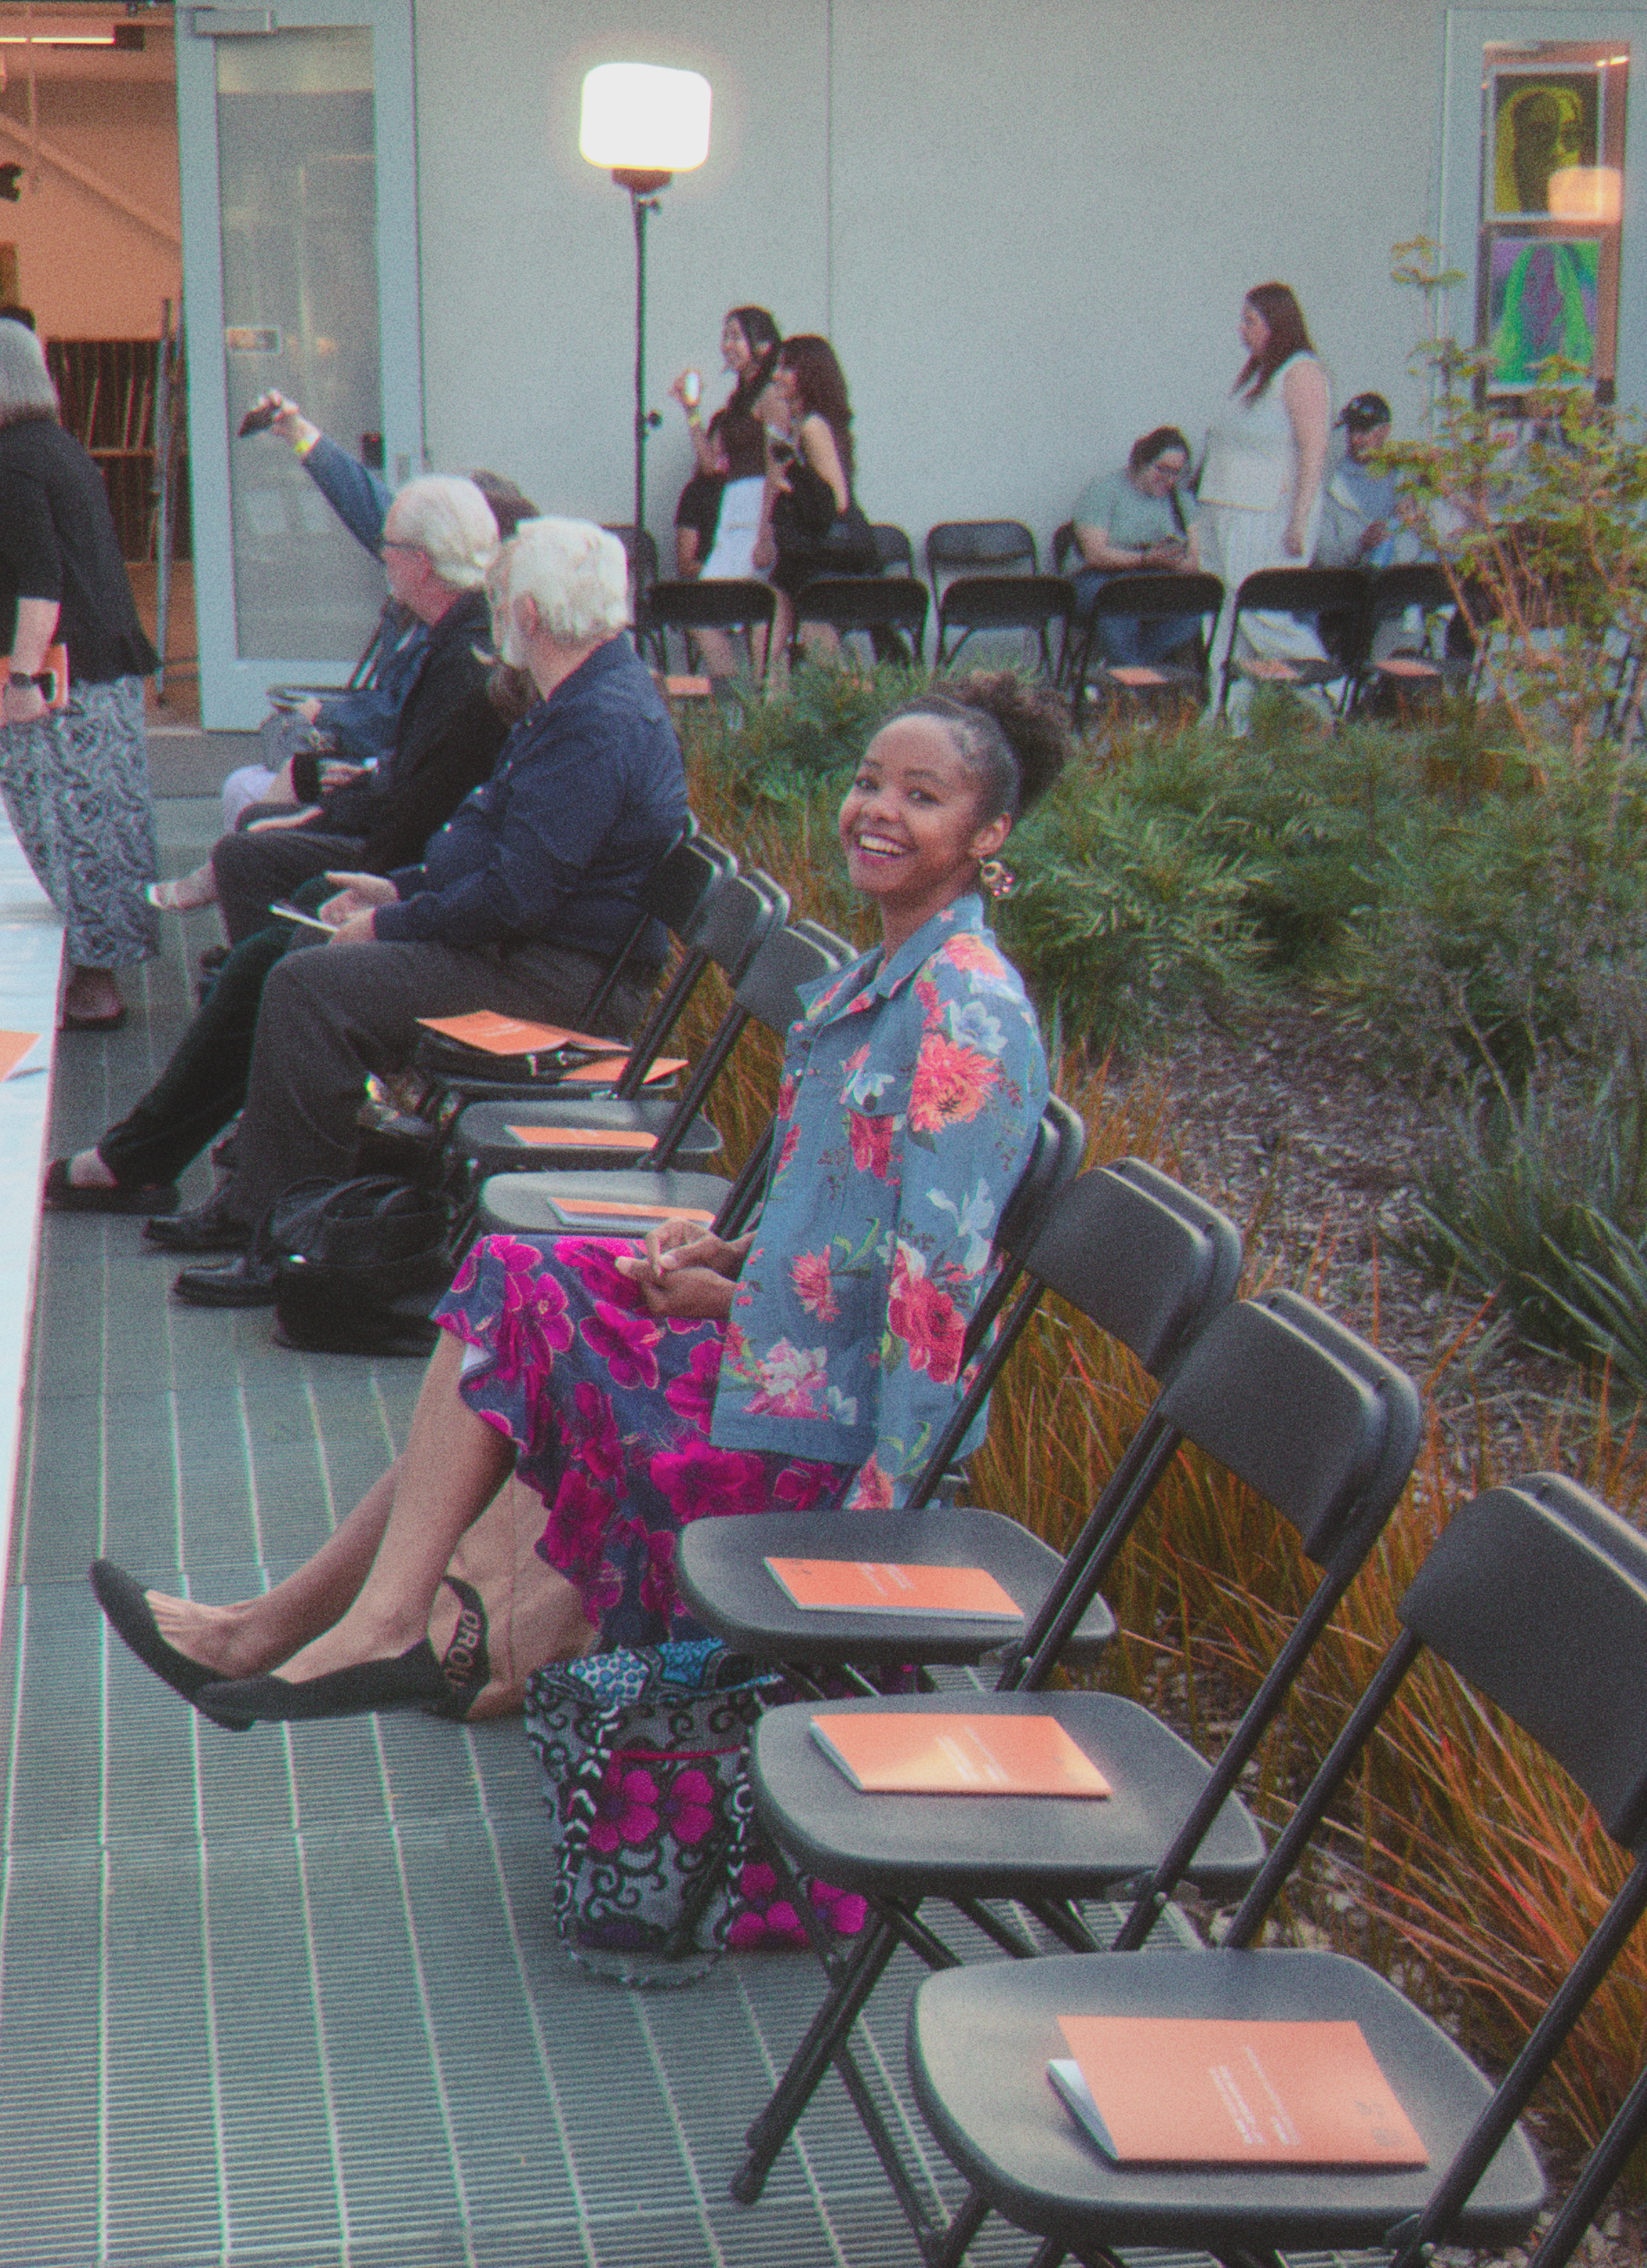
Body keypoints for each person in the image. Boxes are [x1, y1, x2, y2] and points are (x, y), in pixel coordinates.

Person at [88, 672, 1066, 1724]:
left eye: (923, 797)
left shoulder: (965, 1014)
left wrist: (746, 1320)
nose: (879, 810)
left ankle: (349, 1630)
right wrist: (727, 1259)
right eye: (872, 782)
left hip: (831, 1443)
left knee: (522, 1307)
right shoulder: (889, 977)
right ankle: (291, 1627)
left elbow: (931, 1316)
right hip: (777, 1365)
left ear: (987, 832)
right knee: (512, 1279)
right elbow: (849, 1227)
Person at [155, 517, 689, 1306]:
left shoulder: (594, 720)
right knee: (304, 969)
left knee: (312, 988)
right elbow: (498, 847)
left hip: (562, 984)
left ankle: (283, 1235)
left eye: (504, 600)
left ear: (531, 616)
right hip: (546, 957)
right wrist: (401, 890)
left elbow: (517, 895)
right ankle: (260, 1211)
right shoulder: (584, 696)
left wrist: (391, 924)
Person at [0, 316, 161, 1029]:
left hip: (62, 685)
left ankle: (81, 986)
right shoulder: (61, 451)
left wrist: (22, 681)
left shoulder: (11, 462)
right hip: (104, 675)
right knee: (102, 830)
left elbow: (41, 584)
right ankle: (94, 981)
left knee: (56, 833)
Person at [1196, 282, 1333, 689]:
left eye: (1251, 321)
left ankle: (1330, 696)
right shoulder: (1255, 377)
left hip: (1266, 518)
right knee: (1222, 620)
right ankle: (1229, 718)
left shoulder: (1301, 372)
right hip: (1223, 508)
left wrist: (1299, 522)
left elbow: (1313, 452)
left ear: (1277, 324)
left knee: (1262, 616)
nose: (1242, 330)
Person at [753, 334, 878, 666]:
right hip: (803, 560)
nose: (777, 376)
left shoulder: (812, 428)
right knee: (769, 633)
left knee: (807, 635)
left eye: (787, 369)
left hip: (820, 560)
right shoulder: (805, 425)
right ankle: (771, 703)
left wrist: (792, 483)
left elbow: (836, 500)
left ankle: (785, 706)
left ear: (809, 375)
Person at [1069, 426, 1202, 667]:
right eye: (1163, 469)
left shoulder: (1181, 500)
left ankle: (1127, 672)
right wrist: (1145, 558)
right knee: (1122, 601)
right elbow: (1094, 554)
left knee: (1194, 610)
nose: (1169, 480)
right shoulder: (1105, 489)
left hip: (1155, 576)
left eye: (1177, 474)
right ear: (1142, 460)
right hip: (1100, 579)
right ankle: (1132, 678)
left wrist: (1172, 559)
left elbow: (1197, 560)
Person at [670, 303, 781, 482]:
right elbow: (710, 466)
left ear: (763, 345)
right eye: (725, 338)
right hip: (735, 498)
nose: (727, 346)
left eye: (736, 337)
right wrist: (692, 411)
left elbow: (778, 467)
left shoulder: (772, 394)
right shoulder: (738, 400)